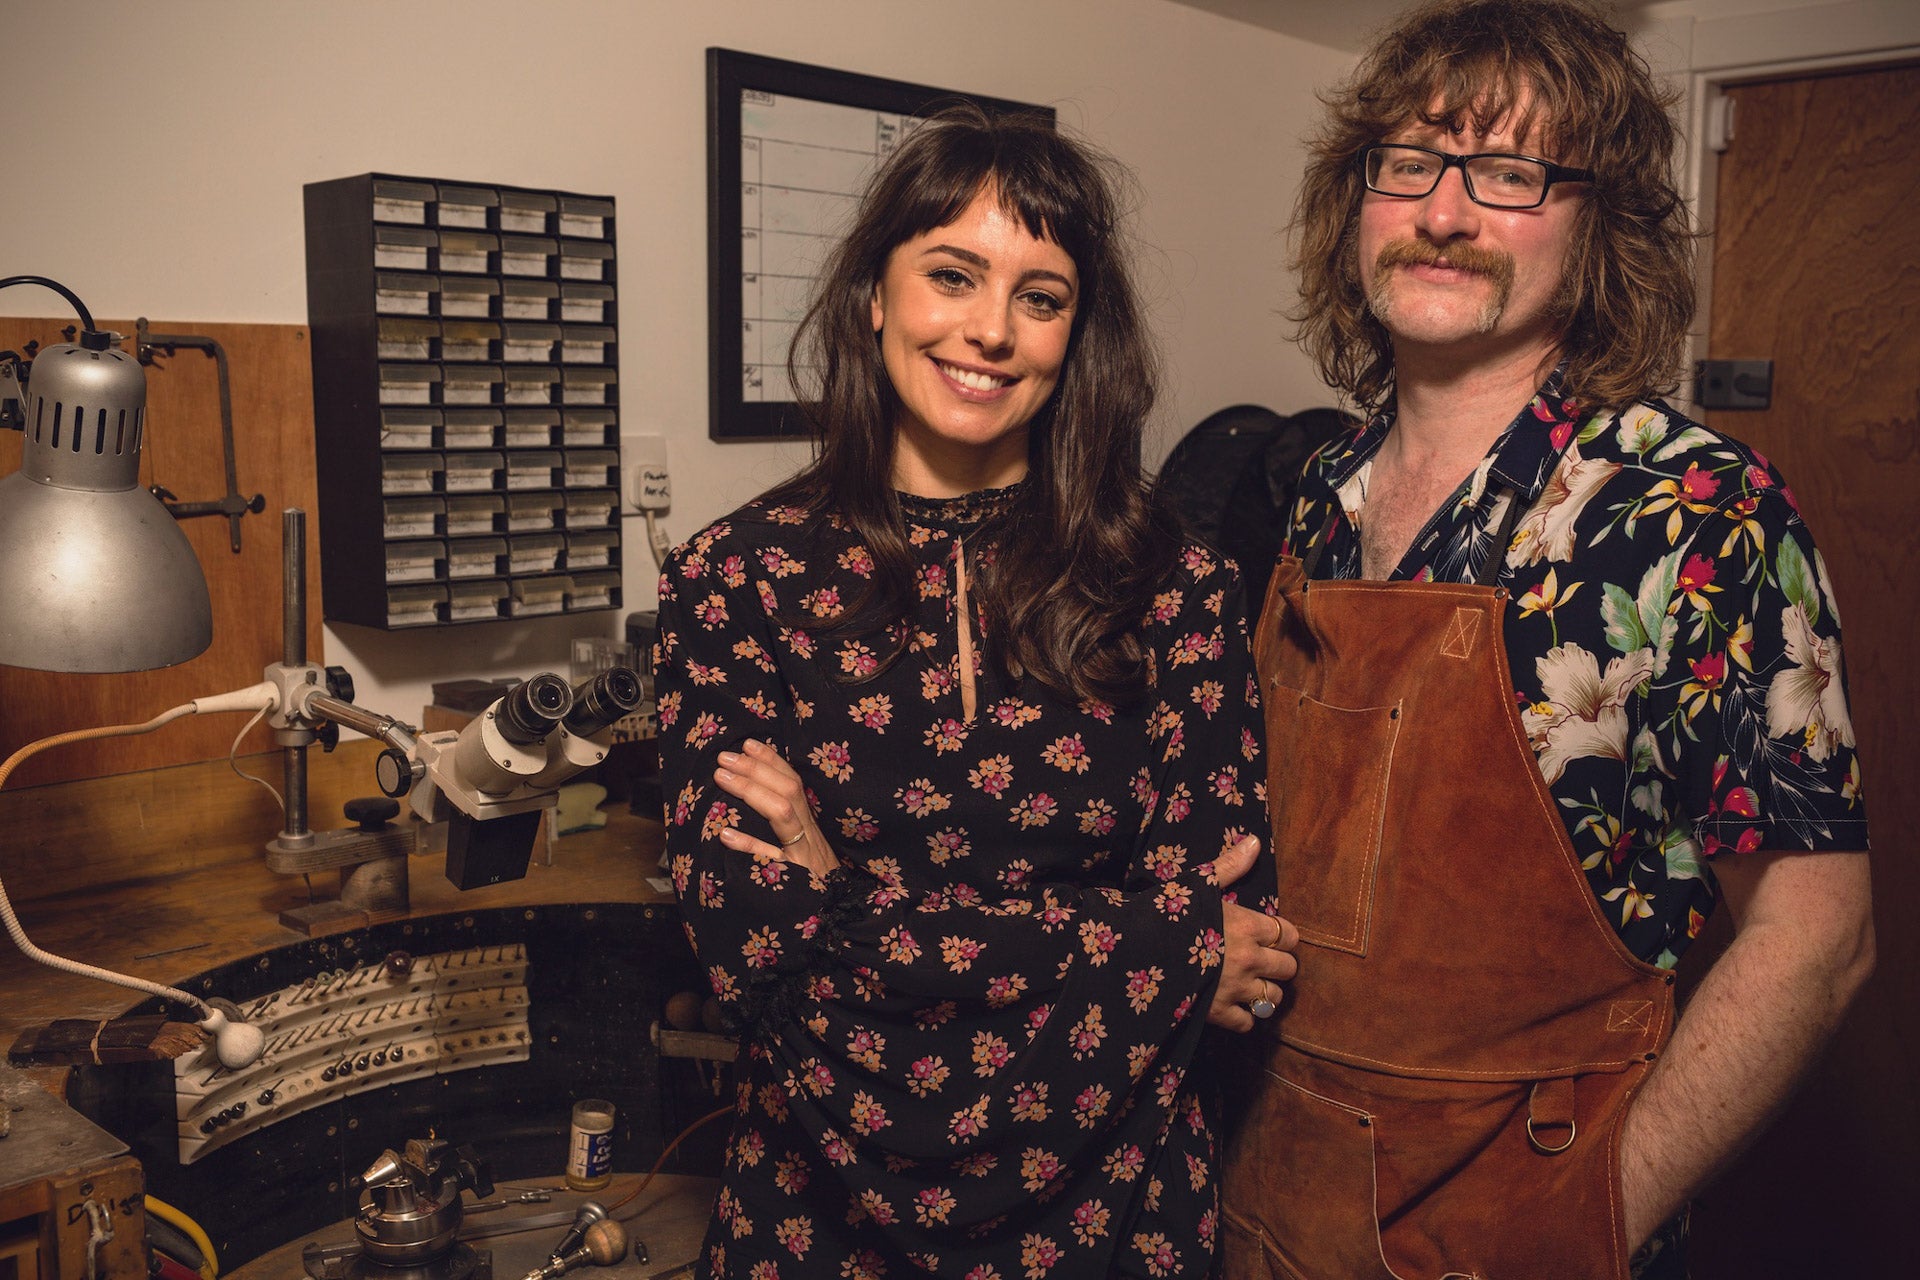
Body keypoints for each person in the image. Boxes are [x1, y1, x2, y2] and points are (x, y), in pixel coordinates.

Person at [1220, 2, 1875, 1278]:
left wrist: (1578, 1223)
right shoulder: (1319, 490)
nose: (1446, 213)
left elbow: (1817, 939)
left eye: (1511, 174)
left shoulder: (1694, 510)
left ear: (1598, 226)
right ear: (1357, 200)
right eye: (1410, 162)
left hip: (1529, 1213)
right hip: (1279, 1194)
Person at [655, 105, 1295, 1279]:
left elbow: (1240, 951)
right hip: (819, 1219)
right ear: (875, 297)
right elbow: (754, 953)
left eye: (1040, 296)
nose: (991, 331)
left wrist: (842, 894)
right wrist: (1148, 946)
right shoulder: (734, 578)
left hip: (1115, 1216)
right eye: (953, 275)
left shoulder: (1177, 583)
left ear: (1076, 333)